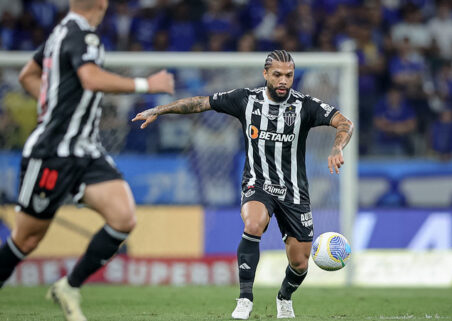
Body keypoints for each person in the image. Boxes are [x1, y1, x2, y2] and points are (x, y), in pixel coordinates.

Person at [132, 50, 354, 320]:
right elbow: (201, 103)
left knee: (300, 262)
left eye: (289, 75)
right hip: (257, 184)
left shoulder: (305, 105)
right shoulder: (245, 99)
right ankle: (245, 299)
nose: (284, 80)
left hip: (294, 191)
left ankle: (284, 297)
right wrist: (160, 109)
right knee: (253, 223)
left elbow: (344, 122)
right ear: (265, 75)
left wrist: (337, 146)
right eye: (277, 75)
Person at [0, 1, 174, 321]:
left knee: (123, 217)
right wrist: (146, 85)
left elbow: (28, 75)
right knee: (26, 239)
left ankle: (69, 286)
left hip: (86, 150)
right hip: (52, 153)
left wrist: (52, 104)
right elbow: (91, 79)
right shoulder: (81, 35)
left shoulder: (60, 33)